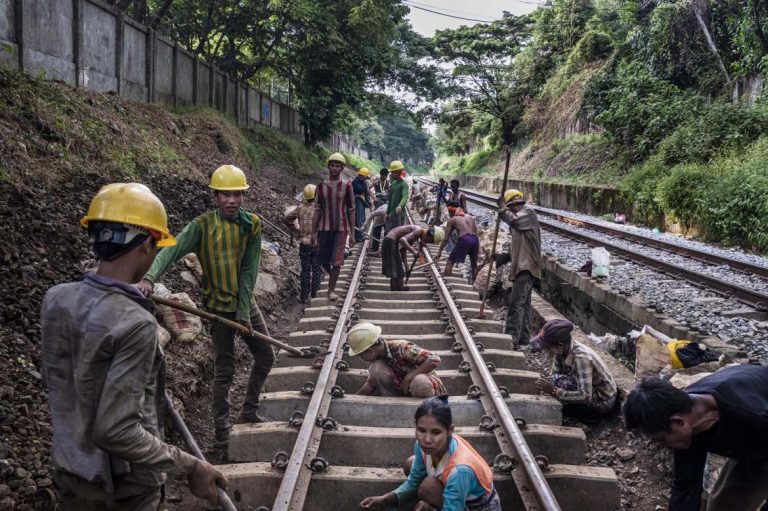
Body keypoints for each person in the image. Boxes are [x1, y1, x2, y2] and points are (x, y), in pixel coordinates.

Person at [42, 183, 227, 510]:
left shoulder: (56, 299)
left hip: (71, 473)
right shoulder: (136, 324)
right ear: (146, 243)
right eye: (157, 246)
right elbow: (115, 430)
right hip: (124, 491)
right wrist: (191, 466)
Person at [137, 164, 273, 462]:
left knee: (266, 356)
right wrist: (149, 278)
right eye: (225, 194)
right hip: (216, 309)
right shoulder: (201, 225)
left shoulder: (252, 225)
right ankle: (221, 437)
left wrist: (243, 312)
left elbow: (250, 269)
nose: (231, 200)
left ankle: (248, 410)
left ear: (243, 196)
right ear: (214, 196)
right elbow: (171, 250)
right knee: (223, 371)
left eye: (236, 194)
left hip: (245, 304)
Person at [623, 365, 768, 511]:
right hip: (751, 441)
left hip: (760, 430)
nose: (663, 445)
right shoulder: (683, 414)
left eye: (660, 439)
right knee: (724, 506)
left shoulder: (752, 414)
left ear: (678, 422)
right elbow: (686, 487)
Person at [360, 396, 501, 511]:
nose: (427, 440)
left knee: (428, 487)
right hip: (457, 492)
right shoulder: (423, 446)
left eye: (436, 432)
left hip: (479, 507)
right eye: (421, 430)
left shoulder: (460, 471)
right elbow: (413, 482)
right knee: (411, 463)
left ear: (450, 430)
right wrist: (385, 499)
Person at [531, 319, 617, 424]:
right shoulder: (561, 353)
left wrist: (554, 391)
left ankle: (590, 416)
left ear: (560, 345)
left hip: (603, 400)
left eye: (548, 347)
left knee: (558, 382)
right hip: (587, 389)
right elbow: (553, 375)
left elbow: (585, 395)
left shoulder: (581, 358)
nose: (546, 350)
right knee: (555, 380)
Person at [347, 322, 446, 398]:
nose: (362, 359)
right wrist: (354, 398)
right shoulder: (378, 360)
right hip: (404, 391)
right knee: (376, 368)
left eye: (361, 355)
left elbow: (435, 359)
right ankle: (395, 404)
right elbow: (371, 384)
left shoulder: (402, 347)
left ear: (370, 351)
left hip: (425, 389)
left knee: (419, 382)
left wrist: (408, 377)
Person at [494, 189, 541, 346]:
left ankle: (511, 339)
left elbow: (514, 220)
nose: (512, 211)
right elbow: (520, 246)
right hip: (523, 265)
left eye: (512, 208)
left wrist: (502, 209)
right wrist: (505, 257)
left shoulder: (528, 213)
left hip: (526, 266)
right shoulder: (518, 221)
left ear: (515, 204)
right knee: (524, 304)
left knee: (515, 303)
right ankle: (523, 339)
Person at [312, 152, 356, 301]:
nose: (335, 168)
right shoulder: (321, 186)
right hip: (324, 227)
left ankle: (331, 290)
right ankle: (332, 276)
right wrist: (313, 232)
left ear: (342, 168)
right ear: (329, 167)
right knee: (323, 259)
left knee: (337, 260)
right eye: (333, 165)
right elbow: (317, 209)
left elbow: (351, 210)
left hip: (341, 228)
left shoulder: (347, 186)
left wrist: (353, 233)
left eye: (338, 166)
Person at [284, 184, 323, 303]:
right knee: (316, 268)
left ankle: (303, 297)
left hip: (304, 243)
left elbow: (286, 219)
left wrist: (297, 231)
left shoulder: (300, 208)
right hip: (317, 243)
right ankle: (315, 295)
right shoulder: (320, 209)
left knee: (305, 270)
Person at [381, 224, 445, 291]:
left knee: (397, 268)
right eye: (428, 240)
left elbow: (403, 250)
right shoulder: (418, 230)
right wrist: (413, 251)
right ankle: (397, 288)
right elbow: (402, 240)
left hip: (390, 241)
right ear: (429, 235)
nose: (426, 242)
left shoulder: (417, 234)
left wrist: (406, 267)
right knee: (396, 268)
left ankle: (397, 288)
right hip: (390, 241)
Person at [437, 207, 479, 279]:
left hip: (465, 239)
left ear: (452, 212)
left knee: (450, 261)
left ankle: (446, 279)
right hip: (475, 239)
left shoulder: (452, 220)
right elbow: (475, 233)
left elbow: (446, 238)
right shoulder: (470, 218)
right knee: (474, 264)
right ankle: (475, 284)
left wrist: (439, 252)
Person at [385, 160, 410, 233]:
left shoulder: (403, 184)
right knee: (387, 232)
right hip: (391, 213)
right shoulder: (393, 184)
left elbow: (405, 197)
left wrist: (400, 206)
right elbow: (390, 200)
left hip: (399, 214)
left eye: (392, 172)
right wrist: (387, 212)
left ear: (397, 172)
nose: (391, 174)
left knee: (397, 234)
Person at [353, 167, 372, 242]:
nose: (366, 178)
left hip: (361, 202)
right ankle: (360, 236)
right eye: (365, 177)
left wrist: (369, 203)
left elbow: (366, 193)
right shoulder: (355, 182)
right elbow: (360, 190)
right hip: (356, 202)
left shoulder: (363, 182)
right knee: (359, 219)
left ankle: (359, 236)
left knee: (361, 218)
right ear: (362, 175)